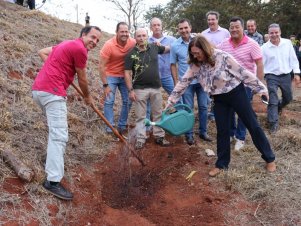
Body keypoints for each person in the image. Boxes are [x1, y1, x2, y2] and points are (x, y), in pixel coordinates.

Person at [166, 35, 276, 177]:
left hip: (236, 93)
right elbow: (183, 82)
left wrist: (260, 89)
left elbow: (242, 73)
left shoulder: (222, 57)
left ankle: (269, 159)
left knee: (252, 124)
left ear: (205, 49)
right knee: (222, 131)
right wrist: (171, 101)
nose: (195, 56)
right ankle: (222, 164)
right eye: (192, 53)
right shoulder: (195, 64)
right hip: (219, 98)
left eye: (197, 53)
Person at [32, 26, 102, 200]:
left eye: (97, 40)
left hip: (39, 91)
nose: (94, 42)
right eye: (92, 37)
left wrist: (59, 70)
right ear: (83, 35)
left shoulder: (66, 44)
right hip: (53, 93)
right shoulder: (80, 49)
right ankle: (52, 182)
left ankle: (50, 164)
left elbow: (43, 52)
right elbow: (83, 78)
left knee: (54, 132)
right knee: (59, 136)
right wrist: (87, 97)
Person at [218, 16, 264, 151]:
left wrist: (258, 84)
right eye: (231, 27)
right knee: (230, 111)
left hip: (246, 86)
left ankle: (240, 137)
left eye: (237, 27)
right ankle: (232, 133)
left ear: (242, 28)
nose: (234, 29)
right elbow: (214, 52)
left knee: (244, 113)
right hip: (229, 86)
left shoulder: (252, 44)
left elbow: (259, 64)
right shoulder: (224, 44)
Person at [124, 28, 170, 149]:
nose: (142, 38)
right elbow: (127, 73)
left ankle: (159, 136)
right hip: (139, 89)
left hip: (155, 88)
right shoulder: (131, 54)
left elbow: (169, 49)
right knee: (140, 116)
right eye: (139, 36)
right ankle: (140, 138)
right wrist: (130, 90)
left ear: (147, 36)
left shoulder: (154, 47)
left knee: (158, 113)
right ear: (135, 38)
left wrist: (188, 39)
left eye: (144, 35)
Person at [170, 19, 211, 146]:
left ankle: (203, 132)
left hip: (201, 81)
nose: (184, 30)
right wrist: (176, 80)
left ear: (190, 27)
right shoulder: (175, 45)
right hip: (187, 83)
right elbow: (172, 64)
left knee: (203, 107)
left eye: (185, 27)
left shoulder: (199, 40)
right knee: (188, 109)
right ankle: (189, 134)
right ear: (178, 30)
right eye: (181, 28)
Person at [261, 23, 300, 134]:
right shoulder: (264, 48)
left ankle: (278, 107)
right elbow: (261, 64)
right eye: (271, 33)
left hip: (286, 75)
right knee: (272, 99)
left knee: (288, 98)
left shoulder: (287, 43)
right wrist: (260, 79)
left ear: (280, 32)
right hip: (271, 75)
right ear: (268, 34)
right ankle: (273, 123)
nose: (274, 35)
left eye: (276, 32)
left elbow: (293, 59)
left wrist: (297, 73)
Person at [99, 22, 136, 137]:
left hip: (125, 76)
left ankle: (122, 125)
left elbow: (144, 45)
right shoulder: (109, 45)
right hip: (111, 75)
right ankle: (109, 128)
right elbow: (101, 67)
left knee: (128, 100)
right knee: (109, 100)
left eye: (126, 32)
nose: (124, 34)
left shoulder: (132, 42)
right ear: (116, 32)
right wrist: (105, 85)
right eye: (122, 32)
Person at [201, 11, 230, 121]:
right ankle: (212, 112)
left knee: (222, 87)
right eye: (209, 20)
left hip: (223, 64)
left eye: (213, 19)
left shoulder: (225, 32)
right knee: (211, 89)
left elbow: (228, 47)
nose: (211, 22)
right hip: (208, 65)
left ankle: (221, 110)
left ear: (217, 20)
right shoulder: (204, 34)